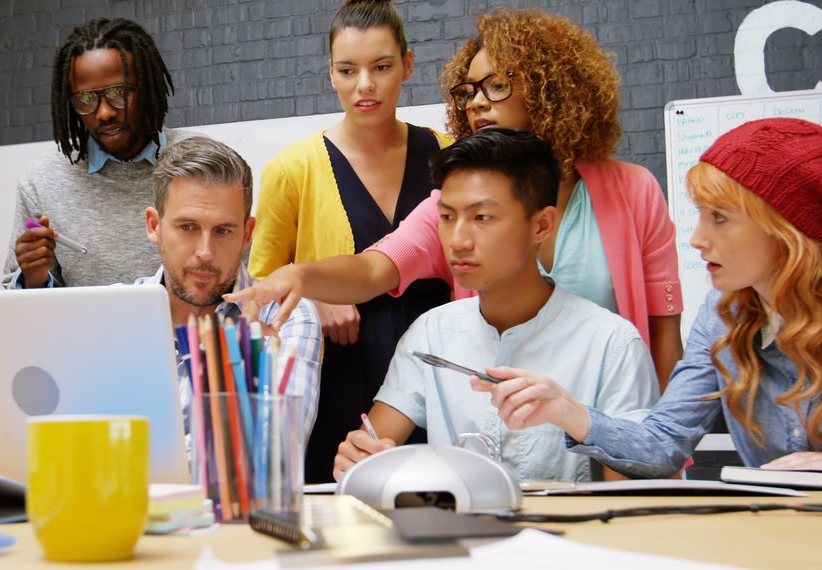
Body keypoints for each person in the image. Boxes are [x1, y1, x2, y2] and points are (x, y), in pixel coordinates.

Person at [231, 7, 683, 390]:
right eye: (469, 91)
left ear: (551, 88)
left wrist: (659, 448)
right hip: (504, 435)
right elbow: (373, 267)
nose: (476, 103)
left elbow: (664, 333)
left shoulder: (634, 192)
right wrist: (299, 276)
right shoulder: (449, 206)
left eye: (496, 86)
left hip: (614, 441)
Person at [473, 118, 822, 476]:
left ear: (786, 227)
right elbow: (664, 442)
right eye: (700, 215)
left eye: (719, 217)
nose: (697, 238)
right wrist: (564, 409)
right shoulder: (721, 318)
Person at [331, 128, 658, 483]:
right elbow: (374, 443)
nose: (457, 241)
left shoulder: (612, 344)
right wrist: (360, 458)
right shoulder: (431, 333)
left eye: (482, 218)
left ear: (541, 225)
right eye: (447, 217)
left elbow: (630, 498)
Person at [248, 0, 453, 482]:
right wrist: (313, 303)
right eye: (348, 70)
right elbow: (260, 286)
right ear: (331, 74)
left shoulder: (448, 154)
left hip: (438, 364)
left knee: (441, 498)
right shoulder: (291, 169)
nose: (365, 85)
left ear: (407, 65)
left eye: (381, 67)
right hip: (339, 366)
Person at [138, 136, 324, 440]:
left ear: (247, 234)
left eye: (223, 230)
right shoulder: (110, 315)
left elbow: (270, 449)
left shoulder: (286, 316)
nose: (205, 252)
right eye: (187, 227)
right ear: (154, 226)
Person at [3, 17, 189, 289]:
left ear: (148, 87)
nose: (104, 112)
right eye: (86, 99)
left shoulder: (202, 161)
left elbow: (236, 273)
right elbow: (13, 296)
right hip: (85, 332)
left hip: (189, 331)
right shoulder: (42, 181)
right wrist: (34, 278)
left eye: (119, 92)